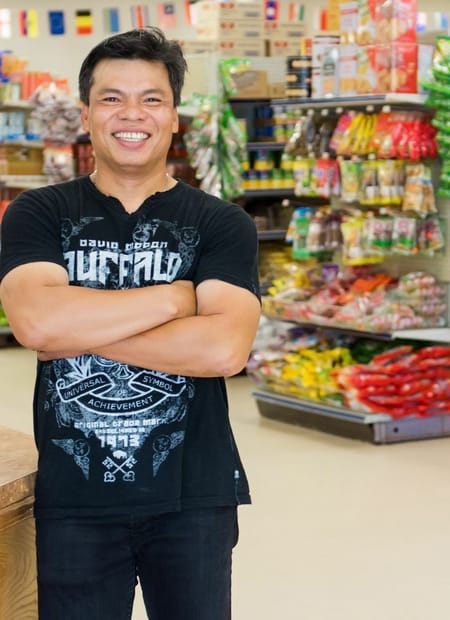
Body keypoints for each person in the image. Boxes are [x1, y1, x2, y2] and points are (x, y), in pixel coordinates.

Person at [0, 28, 261, 620]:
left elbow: (223, 348)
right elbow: (38, 323)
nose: (131, 115)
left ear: (174, 116)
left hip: (194, 495)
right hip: (74, 496)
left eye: (151, 98)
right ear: (87, 113)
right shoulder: (40, 213)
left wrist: (80, 327)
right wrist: (176, 298)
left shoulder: (221, 224)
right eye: (112, 98)